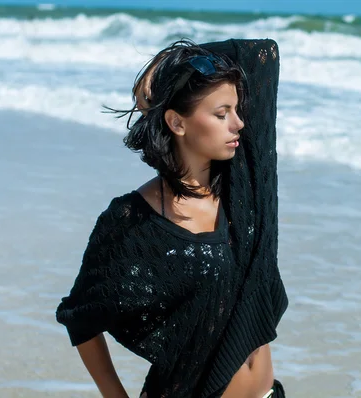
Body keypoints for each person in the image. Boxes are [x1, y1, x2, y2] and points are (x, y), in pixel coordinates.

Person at [55, 38, 288, 398]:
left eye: (237, 110)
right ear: (177, 123)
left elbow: (264, 53)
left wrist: (165, 65)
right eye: (221, 113)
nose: (239, 123)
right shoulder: (133, 219)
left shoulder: (244, 186)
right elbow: (80, 316)